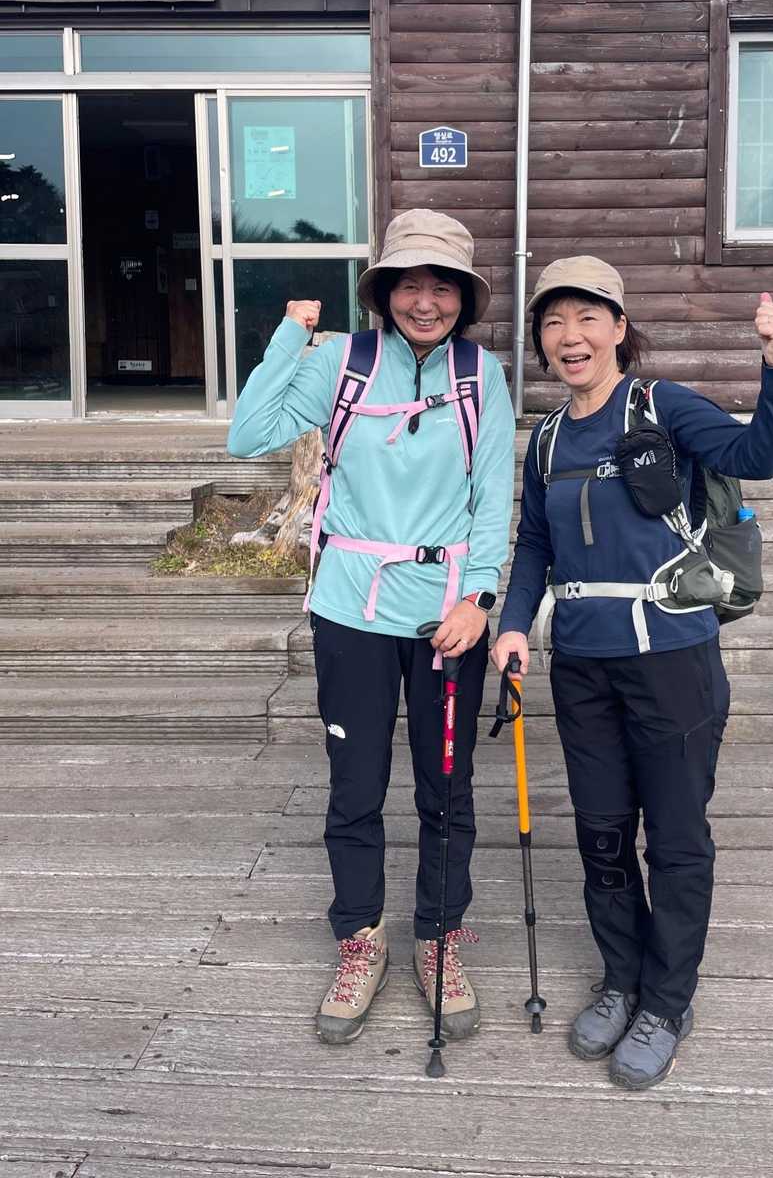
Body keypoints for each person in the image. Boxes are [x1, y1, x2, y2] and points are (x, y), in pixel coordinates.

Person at [491, 255, 773, 1091]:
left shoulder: (663, 405)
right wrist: (513, 625)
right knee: (600, 832)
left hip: (672, 661)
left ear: (620, 328)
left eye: (587, 318)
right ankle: (621, 979)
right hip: (582, 665)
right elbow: (535, 543)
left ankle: (667, 1000)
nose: (570, 336)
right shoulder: (547, 439)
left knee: (674, 835)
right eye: (553, 323)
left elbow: (757, 452)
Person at [228, 209, 514, 1046]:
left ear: (463, 298)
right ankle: (360, 939)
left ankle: (438, 939)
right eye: (409, 285)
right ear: (383, 292)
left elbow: (492, 496)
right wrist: (290, 336)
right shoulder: (342, 361)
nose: (425, 302)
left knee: (446, 787)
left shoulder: (479, 374)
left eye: (442, 287)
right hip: (350, 607)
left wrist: (480, 600)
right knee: (354, 786)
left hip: (447, 615)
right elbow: (248, 433)